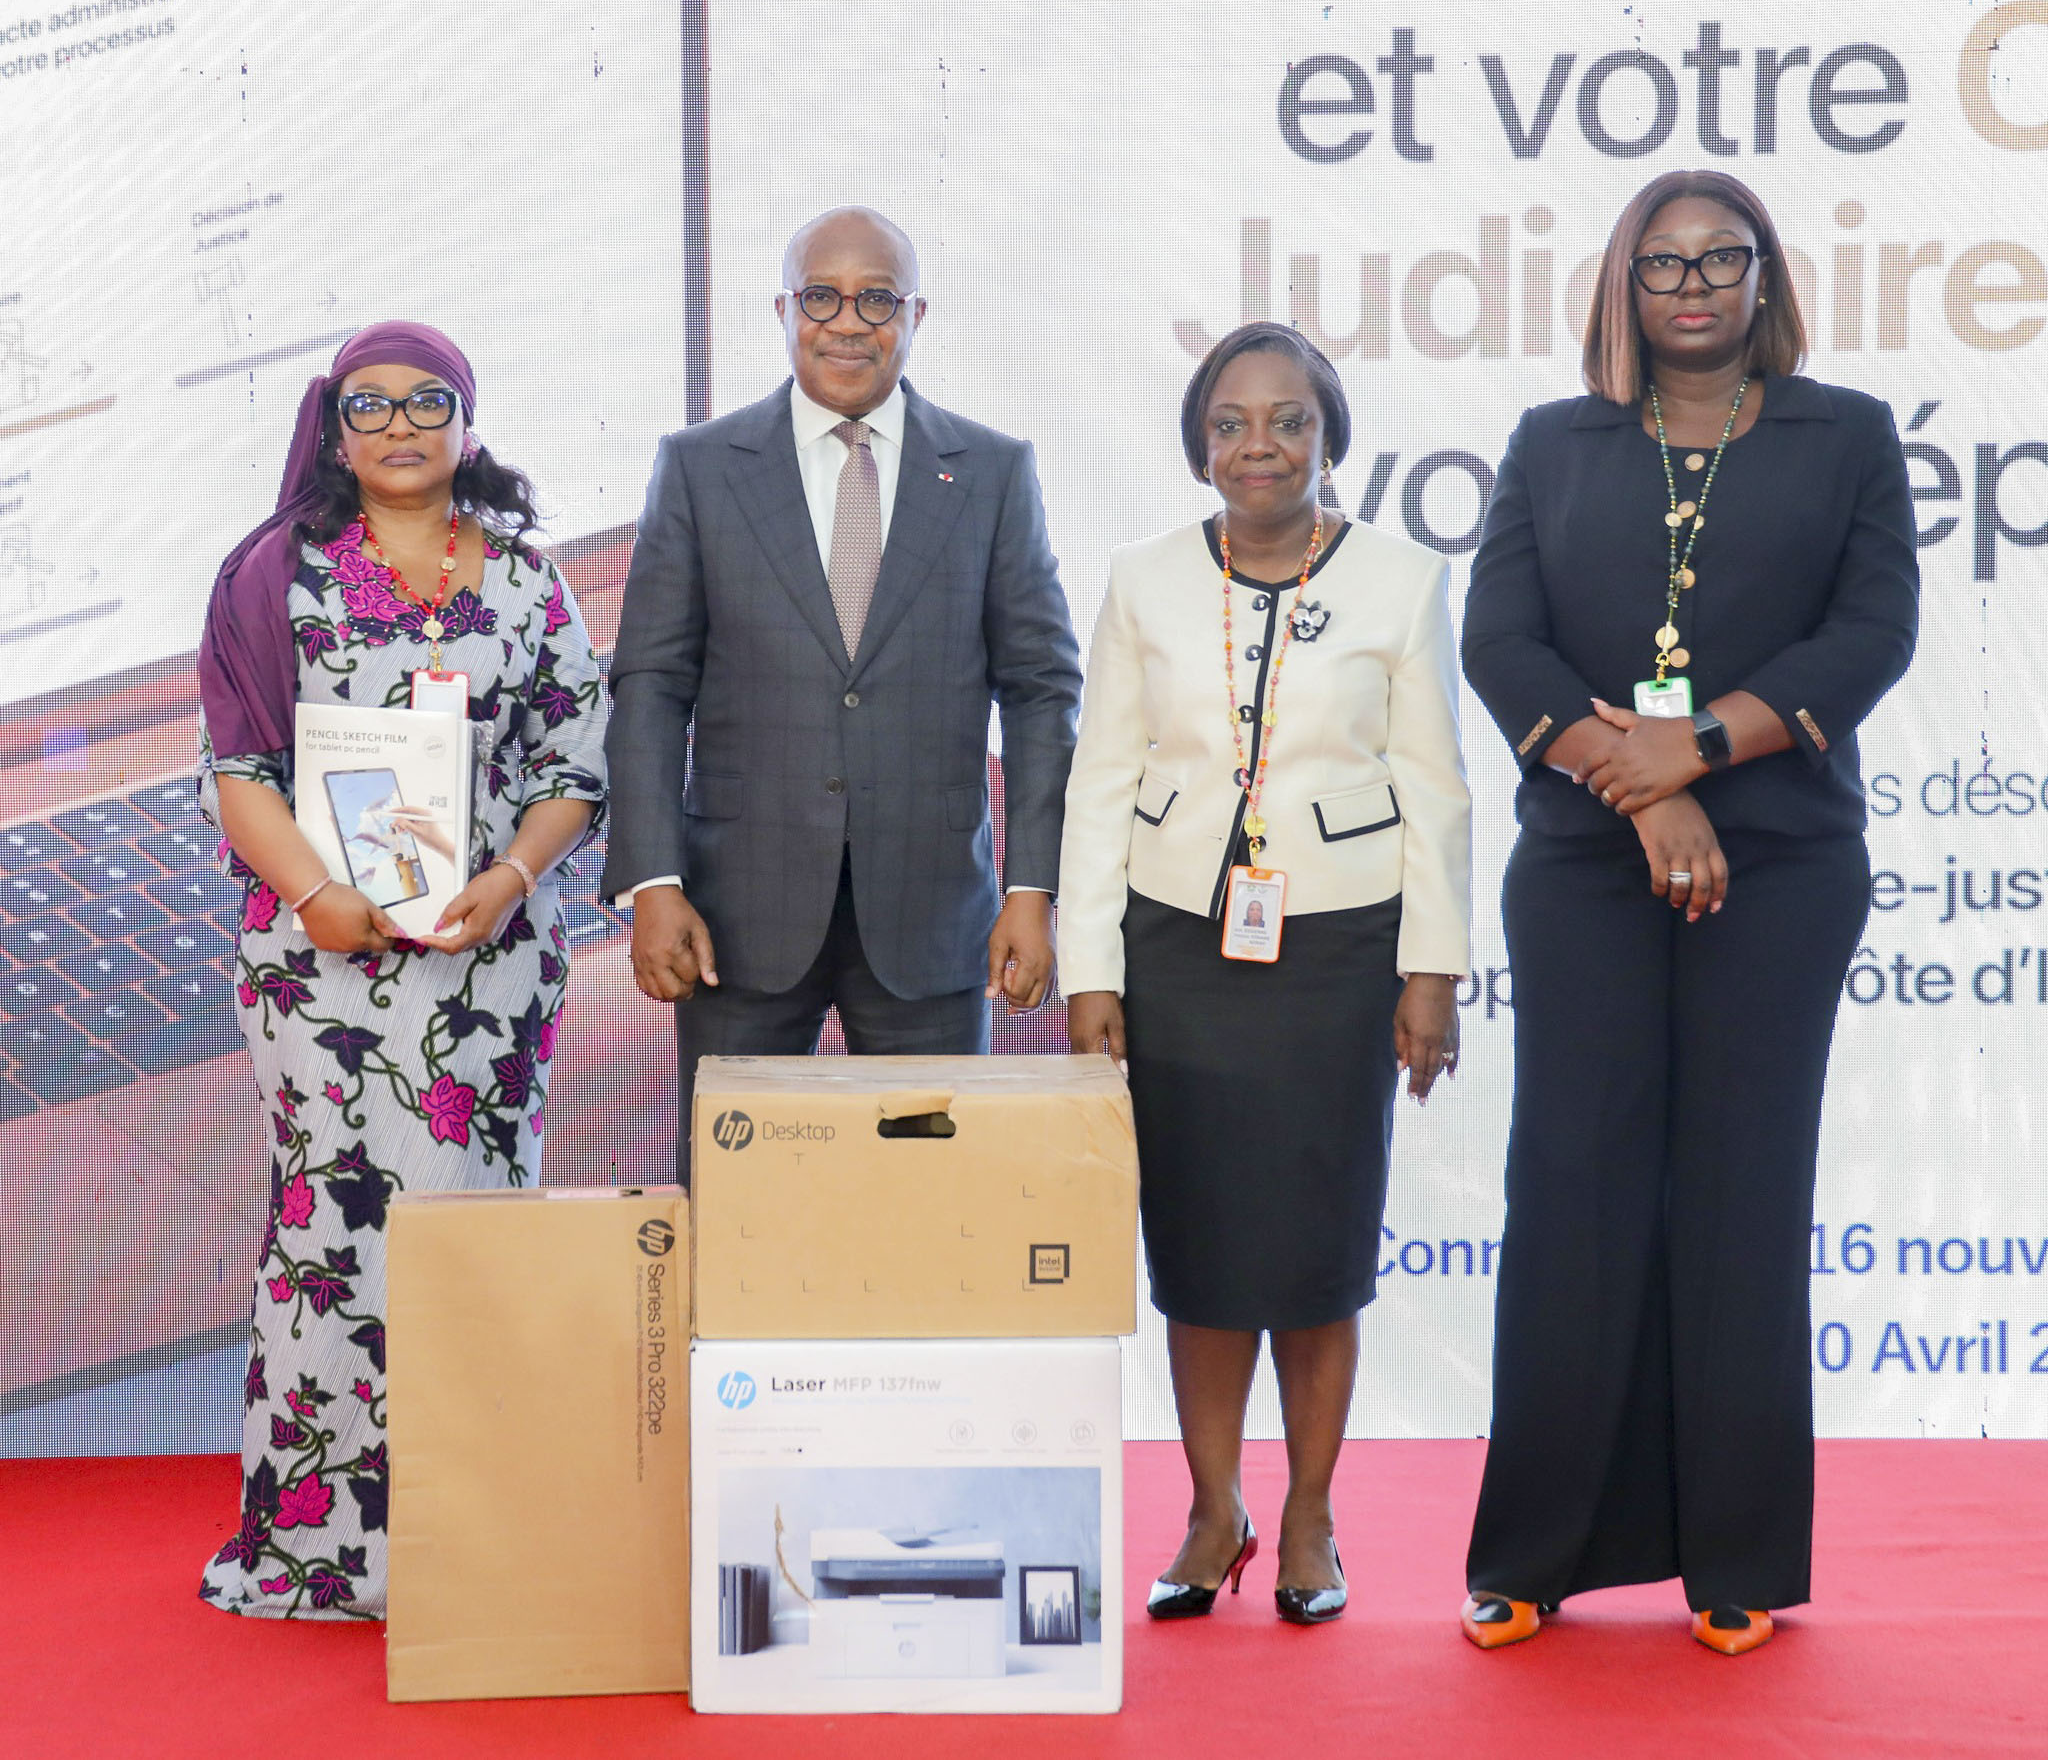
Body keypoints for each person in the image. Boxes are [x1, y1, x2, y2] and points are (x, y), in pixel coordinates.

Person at [1458, 170, 1918, 1655]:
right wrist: (1643, 788)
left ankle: (1737, 1553)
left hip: (1781, 862)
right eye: (1663, 262)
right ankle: (1531, 1550)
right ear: (1622, 284)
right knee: (1572, 1185)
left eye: (1723, 258)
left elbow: (1873, 631)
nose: (1695, 284)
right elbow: (1501, 642)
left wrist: (1701, 749)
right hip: (1585, 860)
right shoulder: (1553, 441)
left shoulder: (1846, 433)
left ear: (1764, 277)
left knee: (1741, 1187)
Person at [1060, 322, 1471, 1626]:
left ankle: (1307, 1515)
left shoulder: (1401, 580)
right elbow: (1099, 778)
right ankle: (1211, 1508)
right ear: (1198, 446)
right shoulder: (1143, 580)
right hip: (1179, 939)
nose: (1260, 445)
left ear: (1328, 436)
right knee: (1197, 1245)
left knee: (1315, 1245)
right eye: (1230, 423)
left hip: (1340, 945)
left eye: (1288, 420)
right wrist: (1089, 964)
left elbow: (1436, 787)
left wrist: (1432, 968)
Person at [194, 322, 608, 1617]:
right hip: (319, 964)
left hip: (488, 965)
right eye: (367, 405)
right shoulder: (274, 575)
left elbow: (573, 766)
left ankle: (467, 1538)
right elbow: (238, 769)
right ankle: (319, 1547)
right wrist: (316, 896)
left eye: (428, 401)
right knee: (332, 1227)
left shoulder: (529, 580)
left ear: (466, 423)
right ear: (333, 430)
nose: (399, 425)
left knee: (472, 1231)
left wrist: (515, 875)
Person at [603, 206, 1081, 1177]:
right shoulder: (699, 467)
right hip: (733, 922)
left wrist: (1032, 887)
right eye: (821, 296)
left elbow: (1040, 688)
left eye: (877, 299)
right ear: (783, 310)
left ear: (916, 315)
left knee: (929, 1203)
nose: (848, 322)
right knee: (737, 1205)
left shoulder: (992, 472)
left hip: (932, 922)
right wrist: (652, 880)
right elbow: (650, 684)